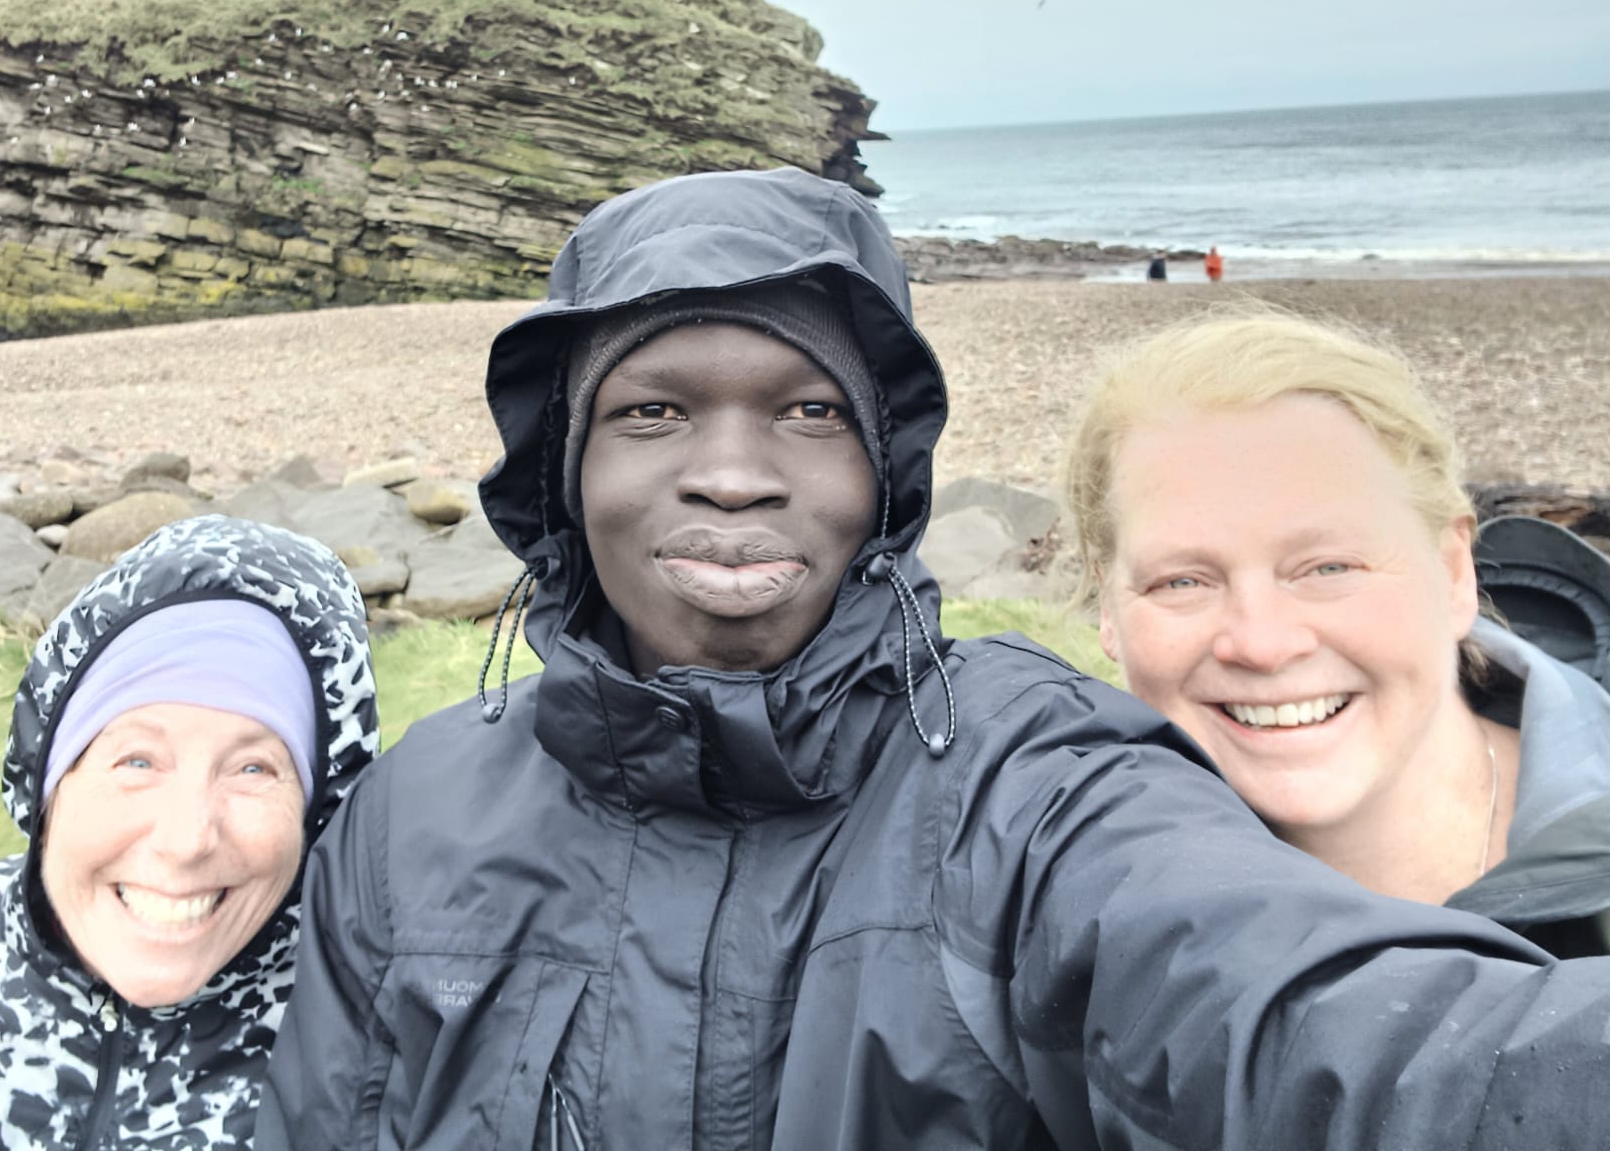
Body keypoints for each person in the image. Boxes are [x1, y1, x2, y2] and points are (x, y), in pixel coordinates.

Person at [262, 166, 1610, 1150]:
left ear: (883, 470)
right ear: (565, 466)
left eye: (804, 410)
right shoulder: (413, 815)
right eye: (654, 409)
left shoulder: (1030, 778)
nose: (732, 474)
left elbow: (1325, 1041)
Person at [0, 516, 379, 1150]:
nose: (186, 838)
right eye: (138, 761)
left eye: (254, 768)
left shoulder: (376, 1037)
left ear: (315, 812)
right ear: (50, 780)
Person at [1064, 308, 1610, 954]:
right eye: (1182, 581)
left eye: (1329, 567)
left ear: (1453, 572)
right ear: (1109, 607)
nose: (1262, 645)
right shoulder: (1064, 900)